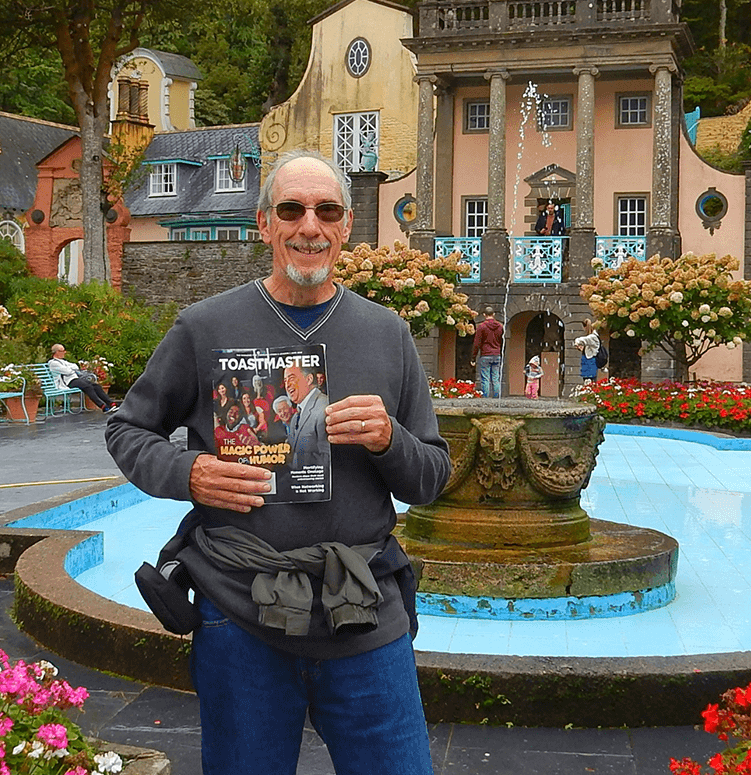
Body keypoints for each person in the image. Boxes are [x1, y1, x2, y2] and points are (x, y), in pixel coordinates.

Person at [106, 150, 451, 775]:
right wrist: (189, 473)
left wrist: (389, 439)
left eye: (327, 211)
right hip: (240, 614)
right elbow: (128, 429)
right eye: (291, 209)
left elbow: (431, 476)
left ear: (348, 227)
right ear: (264, 223)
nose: (309, 226)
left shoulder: (388, 333)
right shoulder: (204, 326)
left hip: (362, 612)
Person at [47, 344, 116, 412]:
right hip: (67, 382)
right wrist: (71, 369)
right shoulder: (53, 363)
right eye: (63, 351)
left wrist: (71, 369)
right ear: (57, 352)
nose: (65, 352)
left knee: (95, 386)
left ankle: (111, 403)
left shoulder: (63, 361)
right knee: (88, 387)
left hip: (75, 379)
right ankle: (103, 407)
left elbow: (75, 366)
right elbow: (68, 371)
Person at [471, 306, 504, 398]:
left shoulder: (481, 327)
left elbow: (477, 343)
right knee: (496, 378)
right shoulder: (500, 327)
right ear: (494, 314)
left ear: (484, 315)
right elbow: (502, 341)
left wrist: (473, 357)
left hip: (485, 354)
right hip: (497, 354)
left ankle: (486, 399)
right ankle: (497, 398)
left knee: (485, 378)